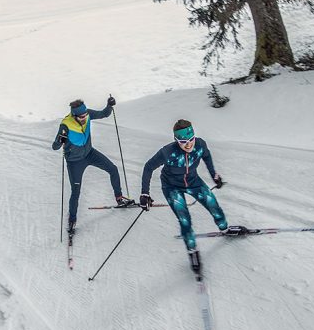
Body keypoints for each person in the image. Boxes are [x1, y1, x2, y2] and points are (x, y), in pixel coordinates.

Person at [138, 119, 227, 273]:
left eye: (191, 139)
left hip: (193, 181)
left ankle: (224, 228)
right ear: (176, 140)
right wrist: (145, 193)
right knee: (184, 218)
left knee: (212, 202)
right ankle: (192, 250)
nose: (188, 144)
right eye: (183, 141)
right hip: (171, 187)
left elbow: (206, 155)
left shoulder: (200, 144)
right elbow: (148, 167)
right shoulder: (167, 152)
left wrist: (214, 175)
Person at [52, 97, 135, 235]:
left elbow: (104, 114)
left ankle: (119, 198)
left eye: (85, 115)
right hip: (74, 161)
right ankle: (72, 220)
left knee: (113, 169)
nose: (85, 117)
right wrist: (61, 140)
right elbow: (55, 147)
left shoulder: (87, 113)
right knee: (76, 191)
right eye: (81, 116)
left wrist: (109, 105)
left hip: (89, 153)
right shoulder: (65, 125)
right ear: (74, 115)